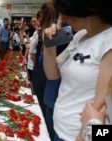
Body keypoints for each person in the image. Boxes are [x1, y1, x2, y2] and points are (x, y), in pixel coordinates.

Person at [43, 0, 112, 140]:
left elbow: (100, 108)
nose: (63, 18)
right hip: (60, 127)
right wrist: (49, 46)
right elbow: (52, 75)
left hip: (76, 135)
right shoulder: (80, 36)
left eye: (66, 13)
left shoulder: (108, 43)